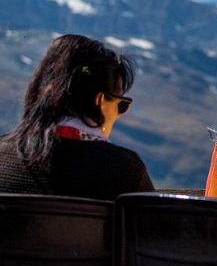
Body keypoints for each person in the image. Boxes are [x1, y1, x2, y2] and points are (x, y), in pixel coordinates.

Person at [0, 34, 154, 200]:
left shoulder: (3, 156)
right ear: (100, 102)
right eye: (121, 105)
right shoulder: (126, 169)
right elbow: (159, 224)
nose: (118, 115)